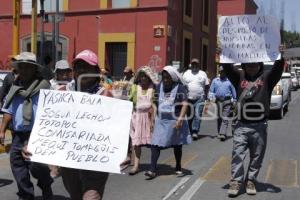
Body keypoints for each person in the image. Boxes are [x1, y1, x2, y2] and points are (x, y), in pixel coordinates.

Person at [222, 54, 285, 197]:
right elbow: (227, 67)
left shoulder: (267, 78)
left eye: (255, 64)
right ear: (244, 65)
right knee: (237, 154)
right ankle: (236, 182)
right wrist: (223, 54)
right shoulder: (239, 76)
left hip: (260, 125)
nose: (252, 67)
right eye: (249, 64)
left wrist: (281, 55)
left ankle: (251, 180)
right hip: (241, 124)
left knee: (257, 156)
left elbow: (278, 69)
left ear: (260, 65)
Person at [0, 52, 53, 200]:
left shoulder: (45, 89)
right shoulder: (15, 89)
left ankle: (46, 185)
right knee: (18, 169)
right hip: (17, 135)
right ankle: (26, 196)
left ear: (34, 70)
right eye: (20, 67)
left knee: (37, 167)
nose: (22, 71)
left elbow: (52, 114)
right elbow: (8, 111)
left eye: (27, 68)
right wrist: (2, 131)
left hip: (36, 134)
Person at [60, 49, 111, 200]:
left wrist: (122, 153)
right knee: (75, 196)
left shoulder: (106, 95)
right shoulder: (62, 93)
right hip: (69, 160)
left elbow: (117, 129)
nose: (81, 70)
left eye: (86, 66)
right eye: (78, 66)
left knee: (91, 196)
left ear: (95, 71)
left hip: (96, 159)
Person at [144, 66, 191, 179]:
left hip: (175, 119)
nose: (165, 80)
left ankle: (178, 167)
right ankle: (152, 170)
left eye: (167, 78)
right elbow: (154, 103)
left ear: (173, 78)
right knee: (155, 144)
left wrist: (180, 120)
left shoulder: (179, 88)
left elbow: (185, 104)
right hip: (161, 120)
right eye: (164, 77)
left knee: (177, 144)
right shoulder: (159, 86)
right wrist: (152, 119)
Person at [128, 66, 158, 175]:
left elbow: (154, 105)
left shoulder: (153, 88)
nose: (144, 78)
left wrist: (153, 120)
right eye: (142, 76)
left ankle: (152, 165)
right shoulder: (135, 88)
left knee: (153, 144)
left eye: (146, 76)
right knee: (136, 143)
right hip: (137, 117)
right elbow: (130, 102)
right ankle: (136, 166)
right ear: (139, 78)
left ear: (149, 77)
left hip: (149, 118)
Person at [183, 58, 210, 140]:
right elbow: (182, 85)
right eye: (193, 64)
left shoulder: (203, 74)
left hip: (200, 98)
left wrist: (206, 96)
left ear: (198, 65)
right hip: (188, 98)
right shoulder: (186, 73)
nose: (194, 65)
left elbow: (206, 86)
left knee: (197, 115)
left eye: (196, 64)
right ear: (191, 65)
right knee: (189, 116)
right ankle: (190, 131)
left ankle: (195, 131)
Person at [208, 66, 236, 141]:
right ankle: (219, 132)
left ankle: (223, 133)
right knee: (219, 117)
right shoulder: (215, 80)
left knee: (225, 116)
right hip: (218, 101)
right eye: (221, 71)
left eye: (223, 71)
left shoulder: (230, 81)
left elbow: (233, 91)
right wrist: (211, 98)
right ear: (219, 72)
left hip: (227, 101)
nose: (222, 73)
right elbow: (211, 91)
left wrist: (235, 100)